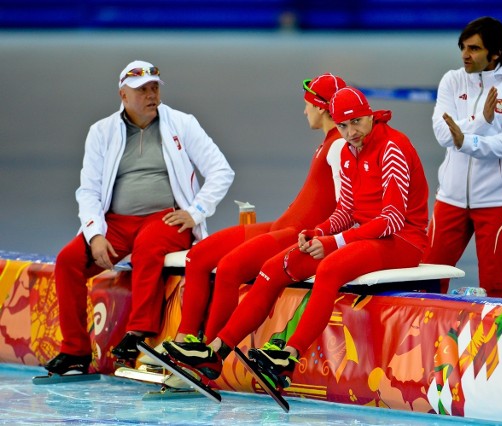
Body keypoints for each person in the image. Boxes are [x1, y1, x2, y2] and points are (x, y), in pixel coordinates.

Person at [163, 86, 429, 389]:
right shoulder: (347, 150)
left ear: (369, 115)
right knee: (274, 268)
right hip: (366, 235)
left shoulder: (393, 147)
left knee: (330, 268)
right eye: (343, 125)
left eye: (356, 122)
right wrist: (319, 231)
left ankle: (288, 358)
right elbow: (347, 210)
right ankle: (214, 353)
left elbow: (392, 219)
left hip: (403, 240)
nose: (351, 132)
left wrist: (334, 242)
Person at [44, 60, 235, 375]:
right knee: (67, 261)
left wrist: (196, 211)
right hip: (116, 223)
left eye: (155, 87)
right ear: (123, 95)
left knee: (148, 245)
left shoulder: (182, 123)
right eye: (142, 90)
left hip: (165, 219)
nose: (151, 95)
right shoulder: (101, 132)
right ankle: (75, 351)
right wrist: (95, 234)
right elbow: (88, 190)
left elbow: (221, 170)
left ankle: (139, 333)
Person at [170, 73, 347, 346]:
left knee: (229, 268)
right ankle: (184, 340)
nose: (304, 110)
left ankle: (206, 353)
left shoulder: (337, 146)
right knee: (199, 256)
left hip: (296, 235)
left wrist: (327, 238)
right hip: (281, 226)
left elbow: (348, 204)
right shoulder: (328, 142)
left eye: (307, 105)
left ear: (321, 107)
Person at [422, 16, 502, 298]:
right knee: (427, 280)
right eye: (462, 47)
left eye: (474, 49)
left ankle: (497, 344)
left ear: (495, 53)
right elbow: (443, 134)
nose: (465, 55)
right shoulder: (452, 80)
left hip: (497, 202)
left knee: (495, 288)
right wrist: (479, 124)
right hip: (450, 199)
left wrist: (466, 139)